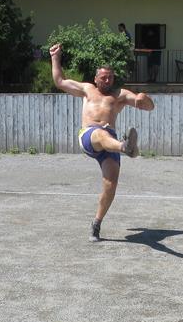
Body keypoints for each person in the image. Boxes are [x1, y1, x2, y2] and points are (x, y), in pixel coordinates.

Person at [51, 43, 154, 242]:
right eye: (104, 77)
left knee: (111, 184)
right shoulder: (87, 89)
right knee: (100, 133)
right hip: (89, 136)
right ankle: (125, 147)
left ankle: (96, 224)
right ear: (96, 78)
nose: (108, 81)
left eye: (111, 77)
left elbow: (148, 107)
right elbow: (60, 81)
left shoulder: (120, 95)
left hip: (110, 141)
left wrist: (144, 99)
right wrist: (55, 57)